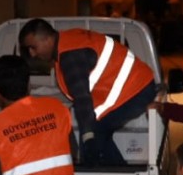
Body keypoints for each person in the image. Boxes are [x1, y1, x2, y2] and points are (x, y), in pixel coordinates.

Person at [19, 18, 156, 167]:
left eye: (33, 47)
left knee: (94, 136)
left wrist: (87, 135)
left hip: (135, 91)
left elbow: (82, 98)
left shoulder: (70, 55)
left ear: (46, 39)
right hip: (138, 85)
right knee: (94, 134)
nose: (32, 54)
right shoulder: (69, 40)